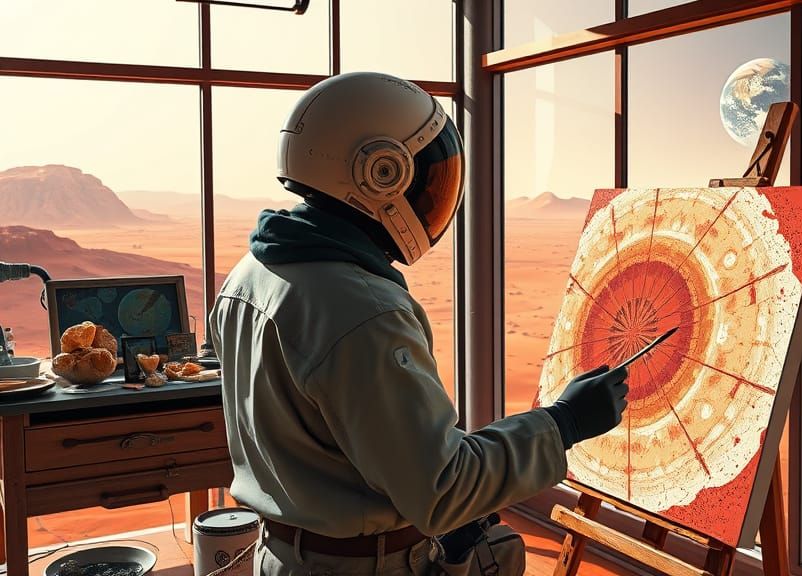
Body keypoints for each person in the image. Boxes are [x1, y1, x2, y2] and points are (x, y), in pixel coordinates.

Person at [208, 72, 629, 576]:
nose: (435, 199)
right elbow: (442, 490)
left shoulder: (250, 274)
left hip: (283, 556)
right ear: (380, 174)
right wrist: (565, 423)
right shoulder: (361, 311)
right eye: (425, 181)